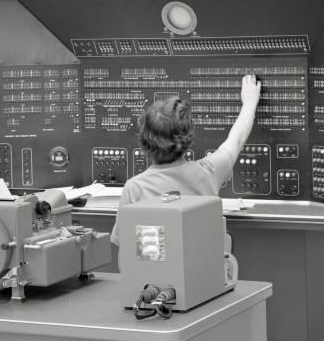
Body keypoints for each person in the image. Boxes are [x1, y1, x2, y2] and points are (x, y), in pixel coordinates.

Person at [110, 73, 261, 245]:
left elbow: (124, 246)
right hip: (201, 270)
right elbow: (237, 139)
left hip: (153, 270)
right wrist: (249, 103)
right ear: (186, 138)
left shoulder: (134, 188)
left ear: (144, 140)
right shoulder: (208, 172)